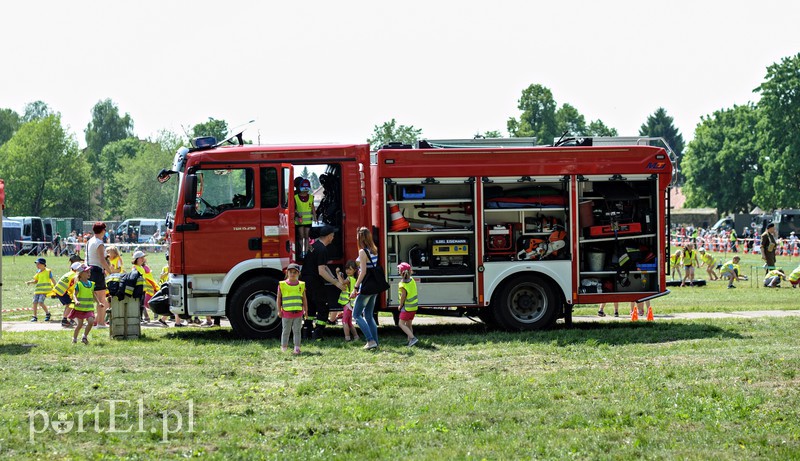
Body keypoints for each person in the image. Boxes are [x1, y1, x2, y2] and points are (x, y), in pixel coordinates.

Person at [299, 224, 345, 340]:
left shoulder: (313, 246)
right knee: (323, 308)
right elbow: (321, 271)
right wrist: (336, 283)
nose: (333, 238)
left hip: (306, 281)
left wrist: (333, 277)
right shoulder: (322, 249)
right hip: (315, 282)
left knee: (310, 308)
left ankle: (307, 333)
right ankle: (318, 334)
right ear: (329, 236)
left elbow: (324, 267)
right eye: (333, 235)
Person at [351, 227, 381, 350]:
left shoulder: (363, 252)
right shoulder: (374, 250)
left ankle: (370, 340)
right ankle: (376, 343)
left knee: (356, 314)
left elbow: (363, 272)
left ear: (361, 238)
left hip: (366, 286)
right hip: (375, 286)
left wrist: (355, 287)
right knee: (368, 315)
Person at [85, 222, 112, 327]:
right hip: (97, 271)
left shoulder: (89, 241)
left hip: (89, 270)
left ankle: (96, 320)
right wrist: (110, 272)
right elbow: (102, 260)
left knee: (95, 299)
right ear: (102, 231)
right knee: (101, 299)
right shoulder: (99, 243)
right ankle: (101, 323)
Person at [278, 263, 307, 355]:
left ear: (298, 273)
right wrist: (279, 310)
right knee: (286, 331)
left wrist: (306, 310)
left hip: (298, 313)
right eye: (290, 272)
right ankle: (284, 347)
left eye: (295, 272)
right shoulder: (282, 285)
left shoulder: (301, 285)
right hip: (286, 313)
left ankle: (297, 348)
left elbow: (304, 298)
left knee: (297, 331)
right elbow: (279, 298)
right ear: (287, 273)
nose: (293, 274)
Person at [53, 256, 84, 327]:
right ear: (76, 269)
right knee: (70, 304)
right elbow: (73, 288)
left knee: (68, 305)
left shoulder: (69, 273)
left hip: (58, 290)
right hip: (62, 292)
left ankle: (69, 319)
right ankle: (64, 320)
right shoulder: (75, 276)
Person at [131, 251, 160, 324]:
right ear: (137, 259)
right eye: (141, 258)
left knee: (142, 304)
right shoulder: (135, 268)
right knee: (139, 304)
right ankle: (139, 318)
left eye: (143, 258)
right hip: (138, 288)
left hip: (143, 288)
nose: (143, 259)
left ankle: (141, 318)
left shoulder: (141, 267)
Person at [70, 266, 96, 344]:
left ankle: (84, 336)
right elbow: (74, 295)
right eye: (87, 272)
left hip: (88, 308)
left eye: (89, 272)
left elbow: (93, 294)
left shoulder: (91, 284)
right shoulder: (79, 284)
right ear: (81, 274)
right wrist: (76, 301)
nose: (89, 273)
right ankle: (74, 338)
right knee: (80, 324)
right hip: (80, 308)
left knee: (91, 321)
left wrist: (99, 302)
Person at [335, 261, 360, 342]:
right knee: (349, 322)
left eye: (350, 269)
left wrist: (337, 273)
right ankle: (356, 337)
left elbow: (342, 282)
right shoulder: (354, 279)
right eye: (346, 269)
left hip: (347, 303)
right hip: (350, 303)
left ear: (354, 270)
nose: (347, 271)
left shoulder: (349, 278)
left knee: (344, 321)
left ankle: (347, 338)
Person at [396, 262, 419, 347]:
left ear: (401, 272)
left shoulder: (402, 284)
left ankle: (413, 338)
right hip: (413, 307)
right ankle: (410, 342)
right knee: (409, 324)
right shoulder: (412, 280)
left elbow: (403, 296)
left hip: (406, 308)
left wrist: (400, 305)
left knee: (401, 324)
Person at [26, 257, 55, 322]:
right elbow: (36, 281)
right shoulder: (38, 272)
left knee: (40, 302)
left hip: (45, 290)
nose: (37, 266)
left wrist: (55, 288)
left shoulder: (48, 271)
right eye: (36, 264)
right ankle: (35, 316)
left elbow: (53, 280)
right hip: (38, 290)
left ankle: (47, 314)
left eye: (38, 264)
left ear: (43, 264)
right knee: (34, 302)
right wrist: (30, 282)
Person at [294, 178, 316, 260]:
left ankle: (306, 252)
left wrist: (315, 217)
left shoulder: (310, 197)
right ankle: (302, 252)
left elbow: (313, 208)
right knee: (301, 237)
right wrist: (296, 213)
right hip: (299, 221)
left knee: (306, 237)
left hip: (307, 221)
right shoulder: (295, 197)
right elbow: (293, 208)